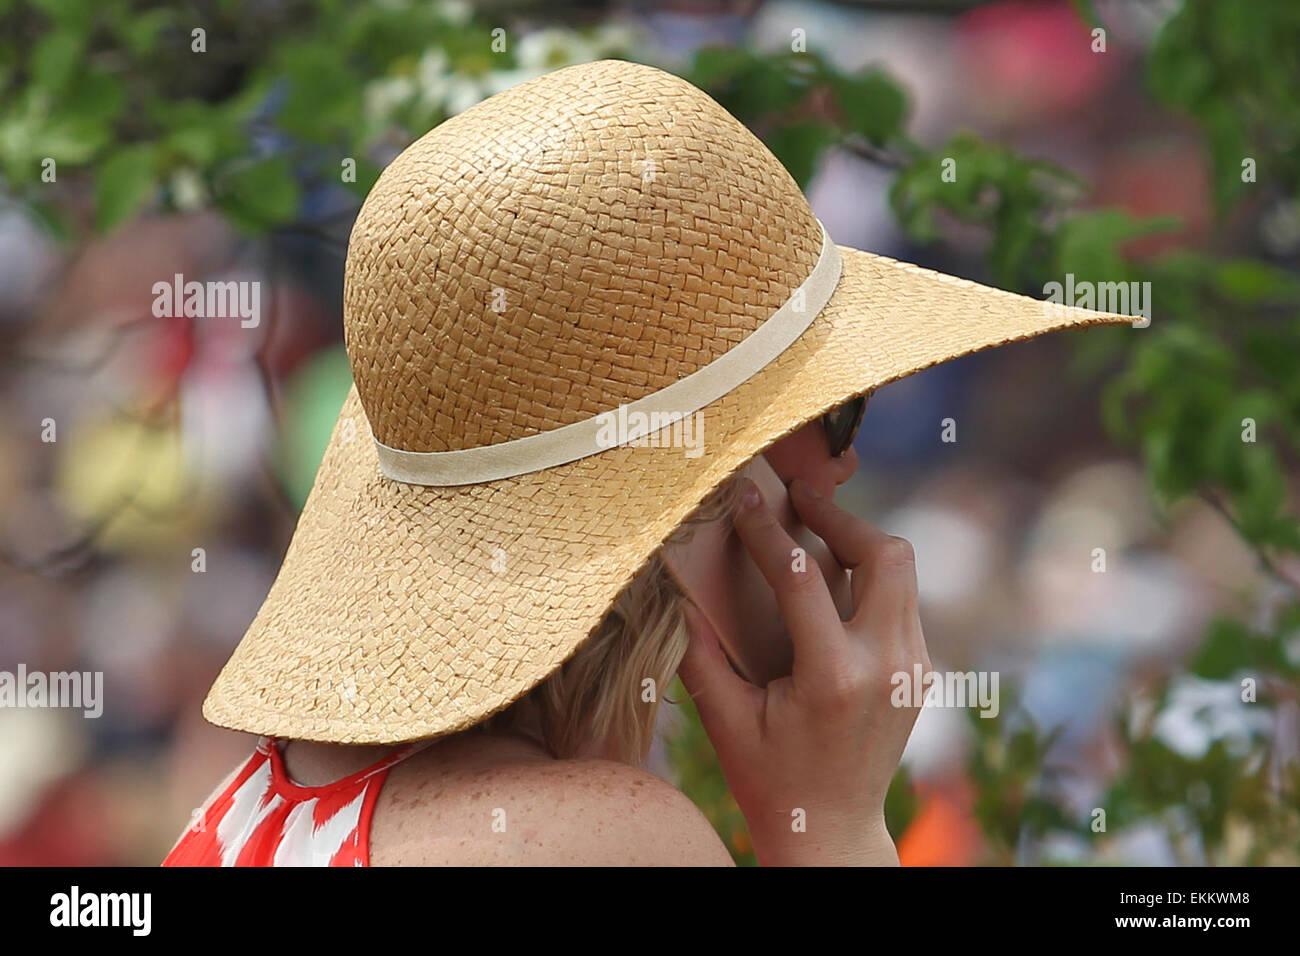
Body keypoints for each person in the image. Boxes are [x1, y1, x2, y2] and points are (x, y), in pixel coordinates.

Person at [163, 59, 1130, 867]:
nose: (844, 468)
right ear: (690, 497)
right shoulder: (598, 840)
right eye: (835, 412)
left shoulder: (253, 798)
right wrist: (833, 826)